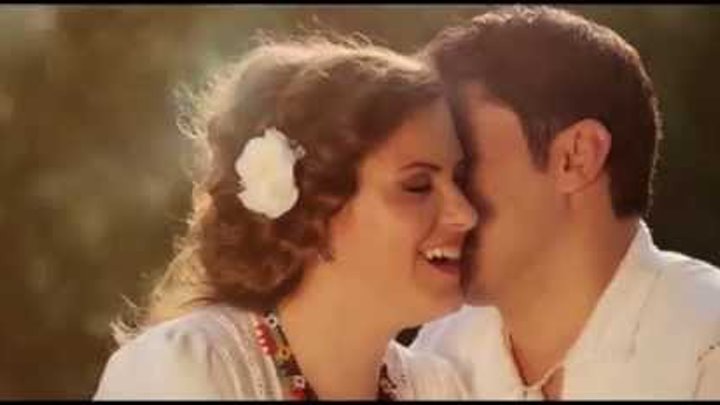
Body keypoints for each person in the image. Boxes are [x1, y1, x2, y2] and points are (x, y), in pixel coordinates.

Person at [93, 35, 478, 400]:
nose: (465, 213)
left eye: (459, 179)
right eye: (418, 186)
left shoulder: (440, 388)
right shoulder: (188, 369)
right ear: (316, 208)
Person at [410, 5, 720, 400]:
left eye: (462, 164)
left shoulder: (707, 345)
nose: (439, 206)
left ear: (577, 157)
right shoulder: (438, 353)